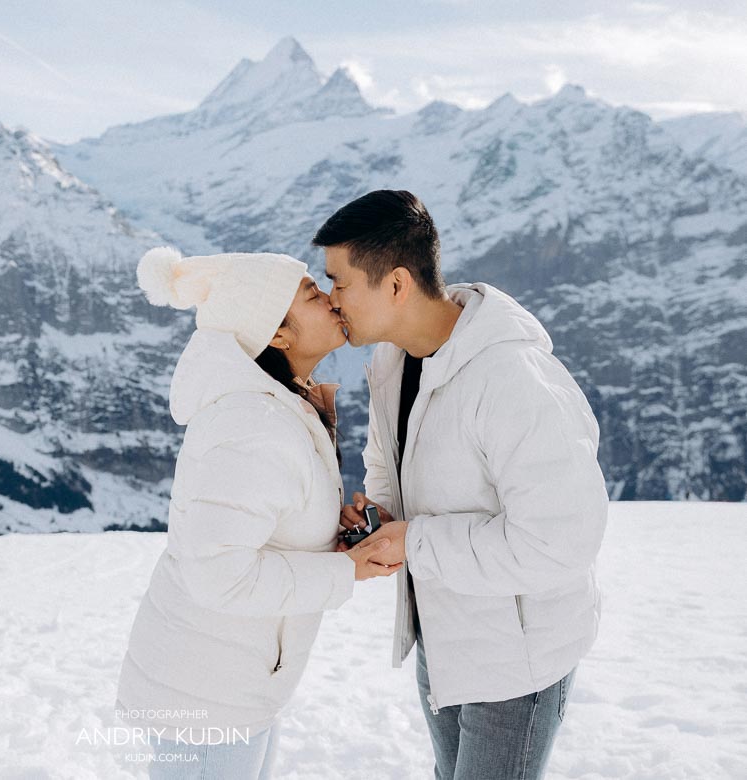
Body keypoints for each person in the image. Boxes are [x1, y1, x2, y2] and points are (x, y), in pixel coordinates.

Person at [317, 190, 608, 780]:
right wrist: (378, 517)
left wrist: (413, 543)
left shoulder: (510, 378)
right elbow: (388, 464)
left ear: (396, 284)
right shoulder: (390, 363)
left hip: (516, 661)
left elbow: (560, 542)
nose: (330, 299)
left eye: (339, 282)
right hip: (446, 637)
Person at [116, 246, 401, 779]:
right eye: (311, 295)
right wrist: (345, 570)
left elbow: (258, 523)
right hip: (205, 696)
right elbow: (219, 574)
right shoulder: (251, 426)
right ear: (277, 333)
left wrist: (328, 531)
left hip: (229, 682)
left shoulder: (278, 406)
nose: (331, 298)